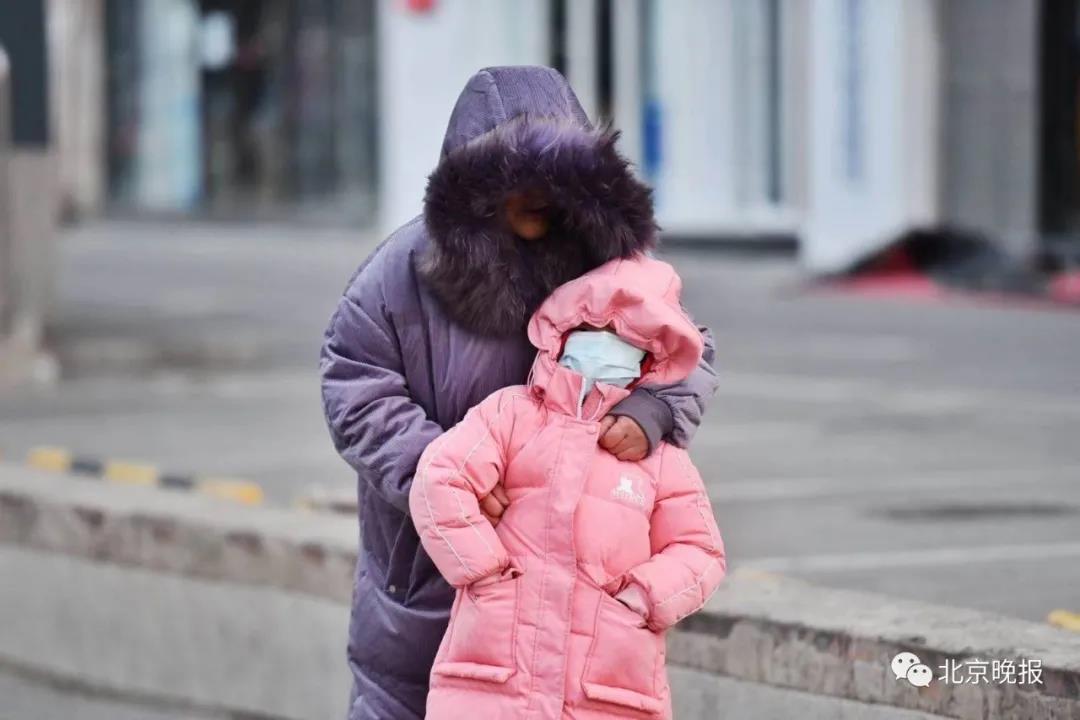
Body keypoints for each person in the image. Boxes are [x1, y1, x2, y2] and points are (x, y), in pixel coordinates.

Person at [320, 66, 718, 720]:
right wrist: (436, 468)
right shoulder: (399, 273)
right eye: (512, 175)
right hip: (425, 575)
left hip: (569, 602)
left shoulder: (610, 264)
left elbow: (687, 352)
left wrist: (652, 409)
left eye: (556, 174)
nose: (537, 192)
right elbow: (354, 382)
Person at [409, 254, 725, 720]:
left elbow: (700, 551)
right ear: (563, 332)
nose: (604, 343)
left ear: (650, 357)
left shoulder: (659, 458)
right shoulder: (511, 415)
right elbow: (440, 478)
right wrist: (483, 572)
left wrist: (640, 598)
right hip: (494, 677)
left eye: (624, 338)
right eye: (593, 328)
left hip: (607, 688)